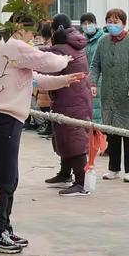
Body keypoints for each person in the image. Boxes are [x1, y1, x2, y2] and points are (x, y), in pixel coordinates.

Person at [0, 14, 82, 253]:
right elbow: (48, 62)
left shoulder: (9, 50)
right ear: (18, 28)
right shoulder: (11, 45)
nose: (31, 39)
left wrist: (65, 80)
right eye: (30, 33)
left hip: (6, 119)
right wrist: (65, 59)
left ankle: (4, 227)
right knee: (1, 180)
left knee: (9, 179)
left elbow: (36, 79)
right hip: (0, 119)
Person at [90, 8, 129, 183]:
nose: (112, 25)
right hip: (109, 94)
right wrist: (92, 83)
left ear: (123, 23)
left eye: (116, 21)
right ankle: (113, 168)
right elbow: (95, 66)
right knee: (113, 133)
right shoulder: (102, 41)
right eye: (109, 21)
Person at [42, 14, 92, 197]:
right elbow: (48, 50)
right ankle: (65, 174)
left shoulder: (61, 49)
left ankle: (81, 183)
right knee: (65, 137)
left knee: (74, 139)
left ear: (55, 30)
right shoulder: (73, 43)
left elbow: (45, 63)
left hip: (71, 100)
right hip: (75, 97)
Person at [81, 13, 105, 125]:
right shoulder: (81, 40)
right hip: (84, 79)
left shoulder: (104, 38)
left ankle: (99, 134)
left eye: (89, 23)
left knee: (99, 109)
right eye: (84, 23)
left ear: (95, 23)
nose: (87, 26)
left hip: (101, 79)